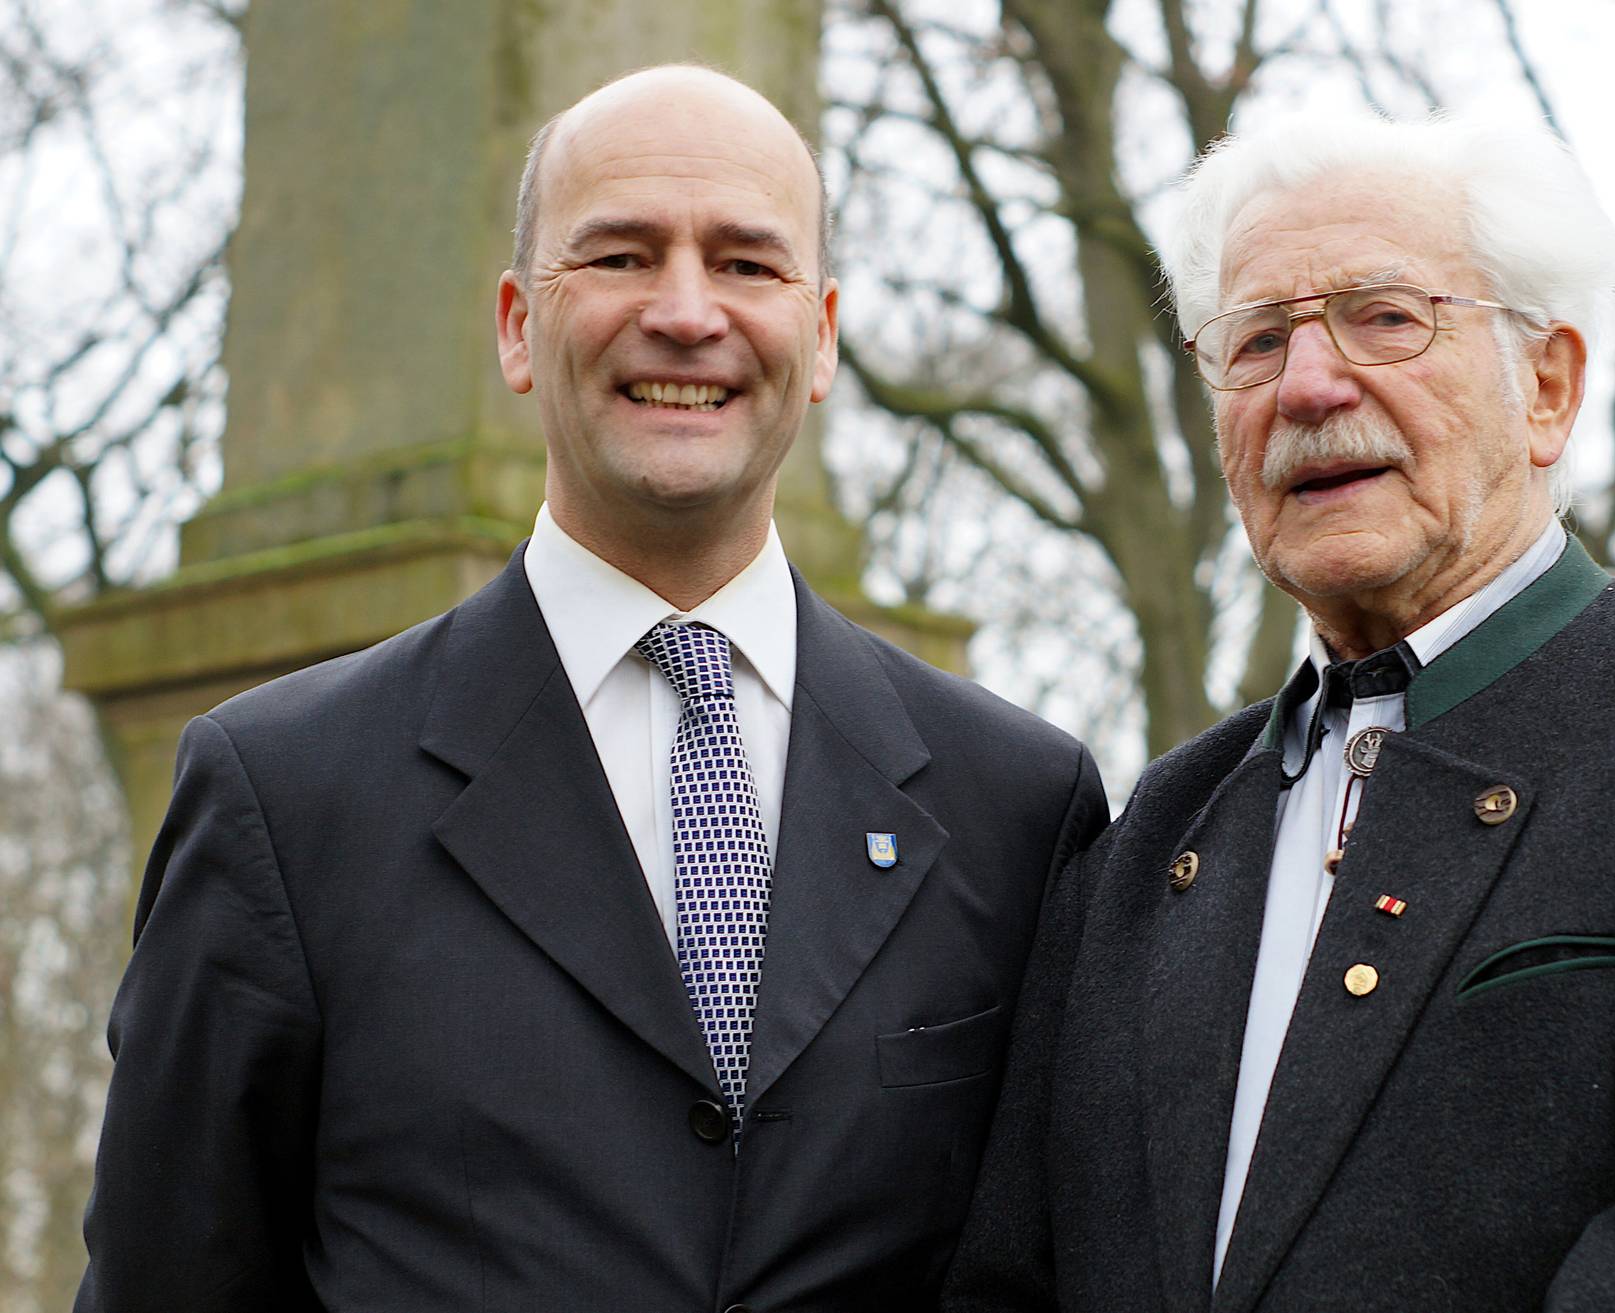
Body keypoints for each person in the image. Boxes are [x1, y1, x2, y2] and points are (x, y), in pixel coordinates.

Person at [78, 65, 1105, 1311]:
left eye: (746, 262)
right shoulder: (283, 799)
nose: (685, 312)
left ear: (822, 332)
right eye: (619, 255)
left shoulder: (1020, 804)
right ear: (518, 325)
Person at [945, 109, 1615, 1313]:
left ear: (1547, 384)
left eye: (1386, 316)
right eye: (1256, 340)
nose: (1310, 385)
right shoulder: (1153, 830)